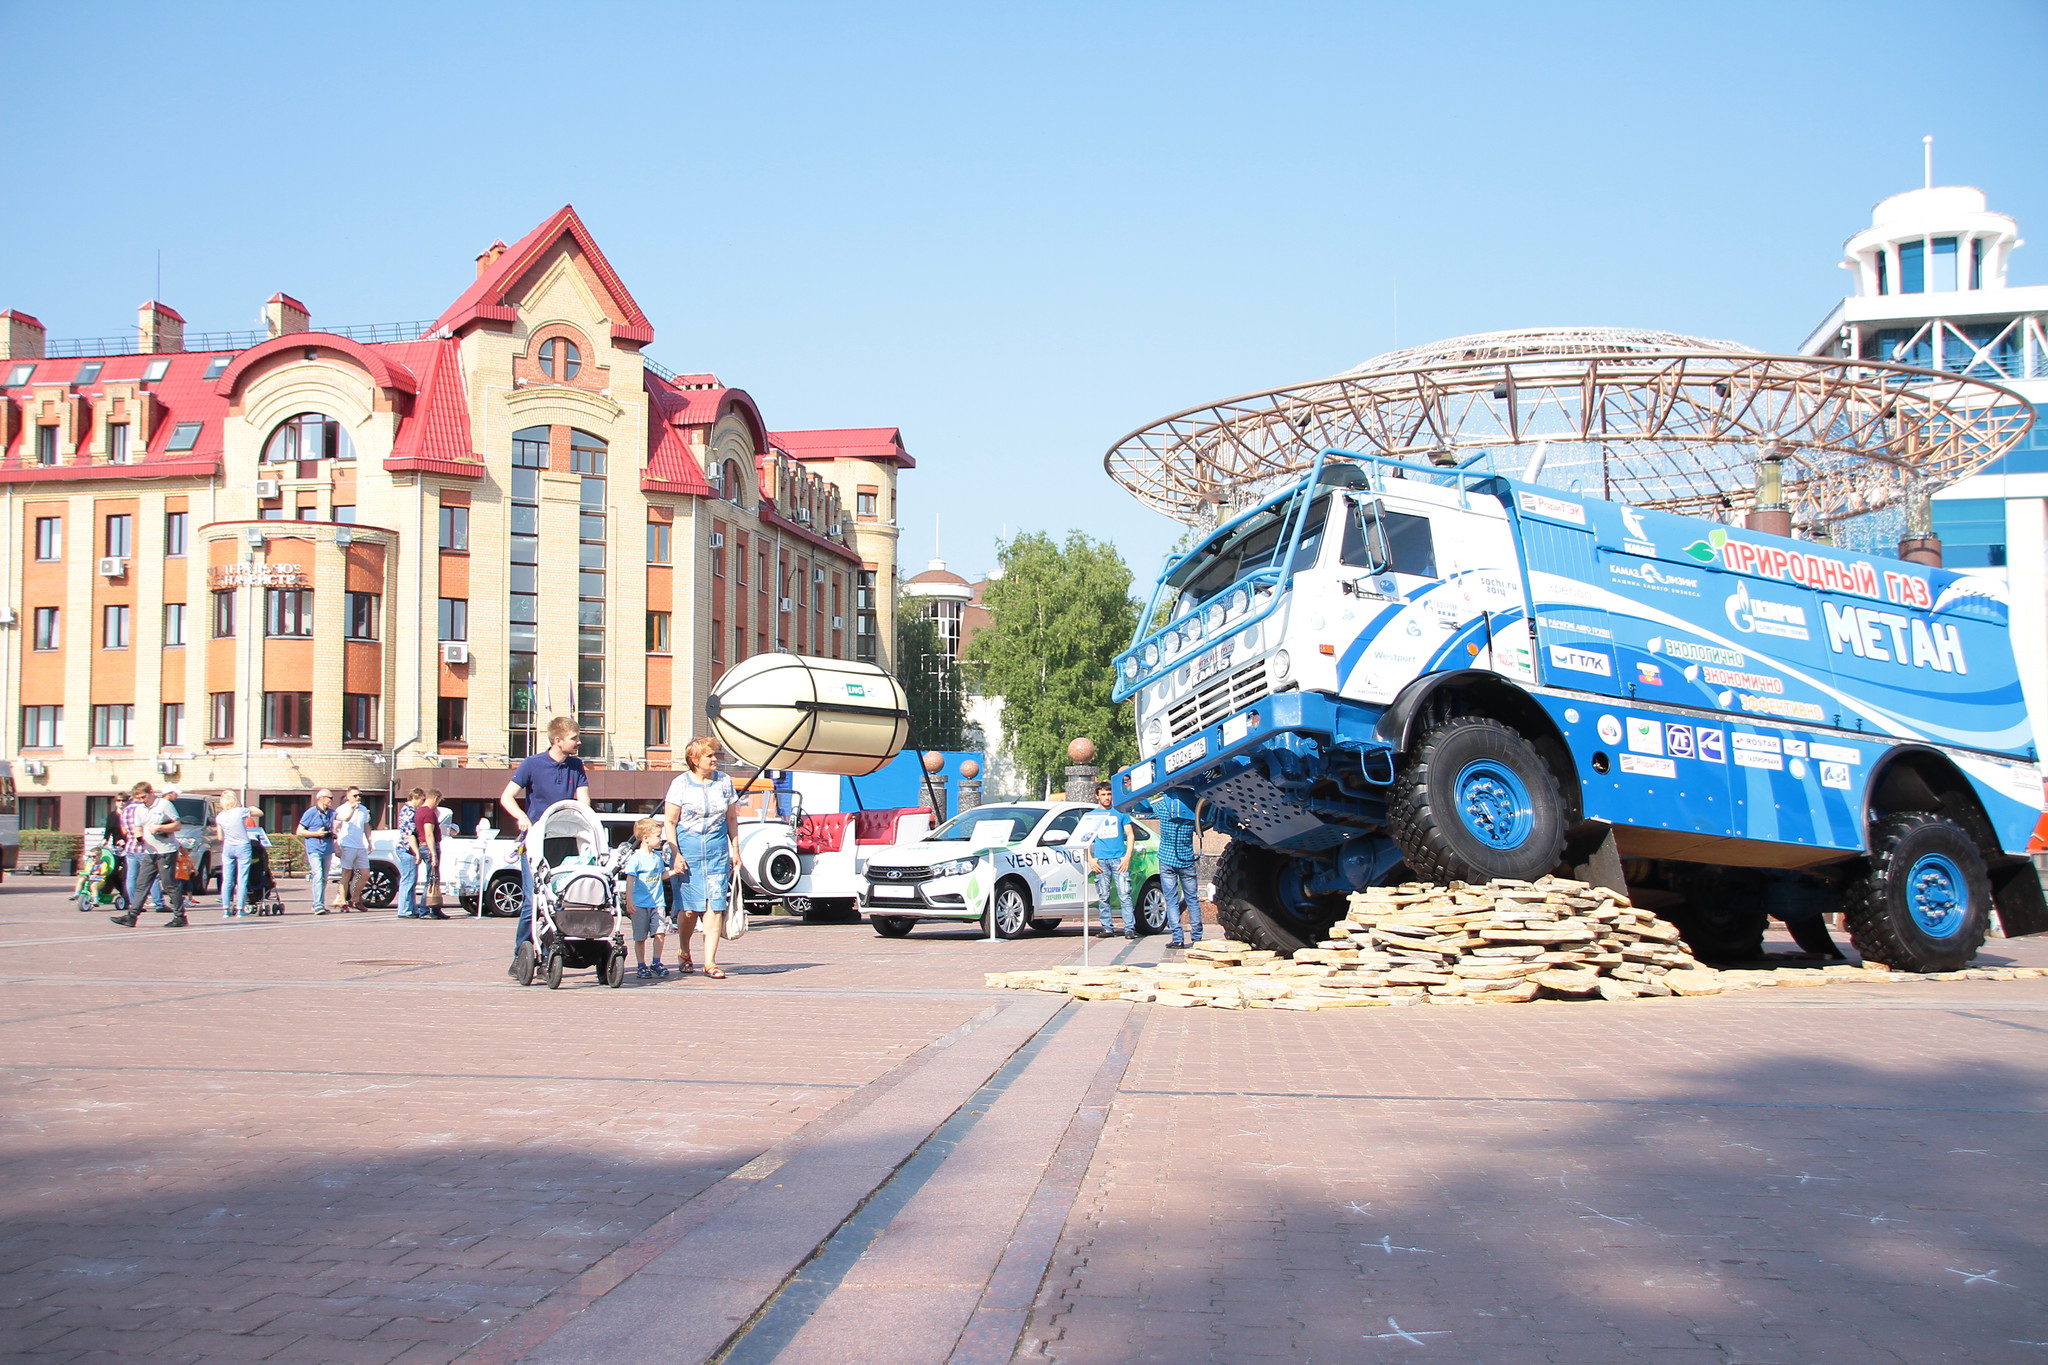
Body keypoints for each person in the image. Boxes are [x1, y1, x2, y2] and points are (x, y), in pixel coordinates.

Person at [499, 717, 592, 976]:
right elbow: (507, 797)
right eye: (574, 738)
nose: (579, 742)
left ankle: (552, 952)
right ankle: (522, 956)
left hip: (565, 840)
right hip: (537, 840)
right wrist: (522, 817)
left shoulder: (576, 766)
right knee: (533, 902)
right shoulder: (532, 764)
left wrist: (585, 819)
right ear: (558, 740)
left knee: (560, 902)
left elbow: (583, 800)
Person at [662, 736, 741, 979]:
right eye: (709, 756)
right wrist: (676, 853)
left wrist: (735, 849)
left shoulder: (725, 782)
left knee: (715, 906)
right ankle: (684, 951)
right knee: (689, 910)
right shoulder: (680, 784)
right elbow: (670, 821)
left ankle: (710, 962)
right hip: (688, 850)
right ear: (694, 760)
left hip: (716, 850)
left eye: (715, 754)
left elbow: (731, 819)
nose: (715, 759)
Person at [109, 786, 189, 929]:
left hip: (166, 851)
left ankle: (180, 916)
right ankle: (132, 915)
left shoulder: (164, 805)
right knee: (142, 883)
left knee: (168, 883)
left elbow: (177, 825)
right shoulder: (140, 809)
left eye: (143, 797)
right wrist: (139, 837)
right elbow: (138, 827)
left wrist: (160, 828)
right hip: (149, 851)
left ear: (151, 793)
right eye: (138, 798)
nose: (141, 801)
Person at [1075, 782, 1137, 939]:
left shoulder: (1121, 814)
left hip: (1119, 859)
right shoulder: (1092, 816)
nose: (1107, 797)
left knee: (1124, 894)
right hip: (1101, 860)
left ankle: (1129, 928)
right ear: (1097, 796)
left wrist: (1127, 857)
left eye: (1109, 794)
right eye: (1103, 794)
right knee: (1103, 895)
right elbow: (1086, 839)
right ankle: (1107, 928)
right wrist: (1090, 859)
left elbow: (1130, 834)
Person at [1147, 791, 1204, 947]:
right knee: (1192, 900)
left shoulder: (1163, 805)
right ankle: (1197, 937)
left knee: (1171, 901)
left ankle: (1178, 938)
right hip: (1187, 859)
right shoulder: (1194, 803)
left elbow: (1144, 807)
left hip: (1166, 858)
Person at [625, 817, 680, 978]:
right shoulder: (636, 859)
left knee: (660, 933)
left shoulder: (657, 857)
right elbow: (630, 880)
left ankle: (656, 961)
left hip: (657, 903)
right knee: (640, 937)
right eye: (657, 836)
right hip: (640, 904)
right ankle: (641, 965)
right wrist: (630, 900)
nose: (660, 839)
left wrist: (674, 871)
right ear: (645, 838)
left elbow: (661, 875)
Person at [214, 791, 265, 919]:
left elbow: (220, 837)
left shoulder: (220, 816)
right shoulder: (240, 811)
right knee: (242, 878)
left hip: (228, 847)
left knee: (227, 879)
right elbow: (259, 813)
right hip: (242, 846)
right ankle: (240, 908)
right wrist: (248, 807)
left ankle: (226, 908)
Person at [118, 782, 160, 916]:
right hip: (144, 846)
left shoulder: (126, 810)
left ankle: (133, 903)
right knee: (152, 875)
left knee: (131, 876)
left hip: (130, 846)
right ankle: (159, 902)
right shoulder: (142, 809)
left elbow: (123, 830)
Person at [410, 788, 450, 919]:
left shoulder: (418, 812)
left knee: (431, 878)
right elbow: (429, 833)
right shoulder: (428, 813)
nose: (437, 804)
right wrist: (433, 853)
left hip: (422, 846)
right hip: (429, 847)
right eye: (437, 801)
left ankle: (431, 909)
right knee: (432, 879)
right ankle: (428, 909)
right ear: (434, 798)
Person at [333, 787, 373, 911]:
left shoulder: (363, 810)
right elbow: (335, 828)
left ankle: (355, 899)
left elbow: (366, 827)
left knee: (365, 874)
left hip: (360, 845)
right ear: (348, 796)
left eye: (360, 795)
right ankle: (342, 901)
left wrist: (370, 841)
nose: (358, 798)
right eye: (355, 795)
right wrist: (336, 846)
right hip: (346, 845)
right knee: (346, 873)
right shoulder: (341, 809)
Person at [297, 790, 337, 914]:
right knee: (318, 875)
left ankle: (320, 903)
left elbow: (343, 818)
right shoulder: (310, 812)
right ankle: (317, 904)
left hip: (327, 848)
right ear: (322, 798)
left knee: (324, 878)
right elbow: (299, 831)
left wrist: (353, 807)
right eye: (330, 798)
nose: (331, 800)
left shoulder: (331, 812)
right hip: (314, 848)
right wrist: (316, 834)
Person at [394, 787, 425, 918]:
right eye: (421, 800)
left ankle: (411, 908)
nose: (422, 803)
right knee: (408, 880)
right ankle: (405, 909)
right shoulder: (410, 812)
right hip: (408, 849)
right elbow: (410, 835)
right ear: (415, 798)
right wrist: (417, 852)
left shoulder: (406, 810)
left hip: (405, 848)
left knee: (411, 880)